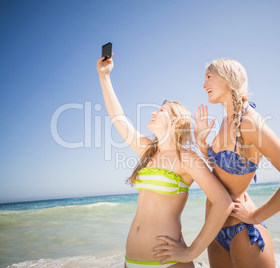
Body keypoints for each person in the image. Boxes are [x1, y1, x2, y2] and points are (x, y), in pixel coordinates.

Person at [156, 59, 280, 268]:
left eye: (209, 78)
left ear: (227, 78)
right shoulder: (226, 120)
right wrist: (203, 144)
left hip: (243, 231)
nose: (204, 85)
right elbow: (222, 170)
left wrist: (256, 215)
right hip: (214, 230)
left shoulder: (250, 123)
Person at [97, 54, 233, 268]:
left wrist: (191, 252)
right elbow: (118, 118)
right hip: (130, 262)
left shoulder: (187, 158)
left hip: (168, 263)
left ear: (175, 120)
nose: (153, 112)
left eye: (160, 110)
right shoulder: (147, 151)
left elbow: (223, 202)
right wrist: (104, 76)